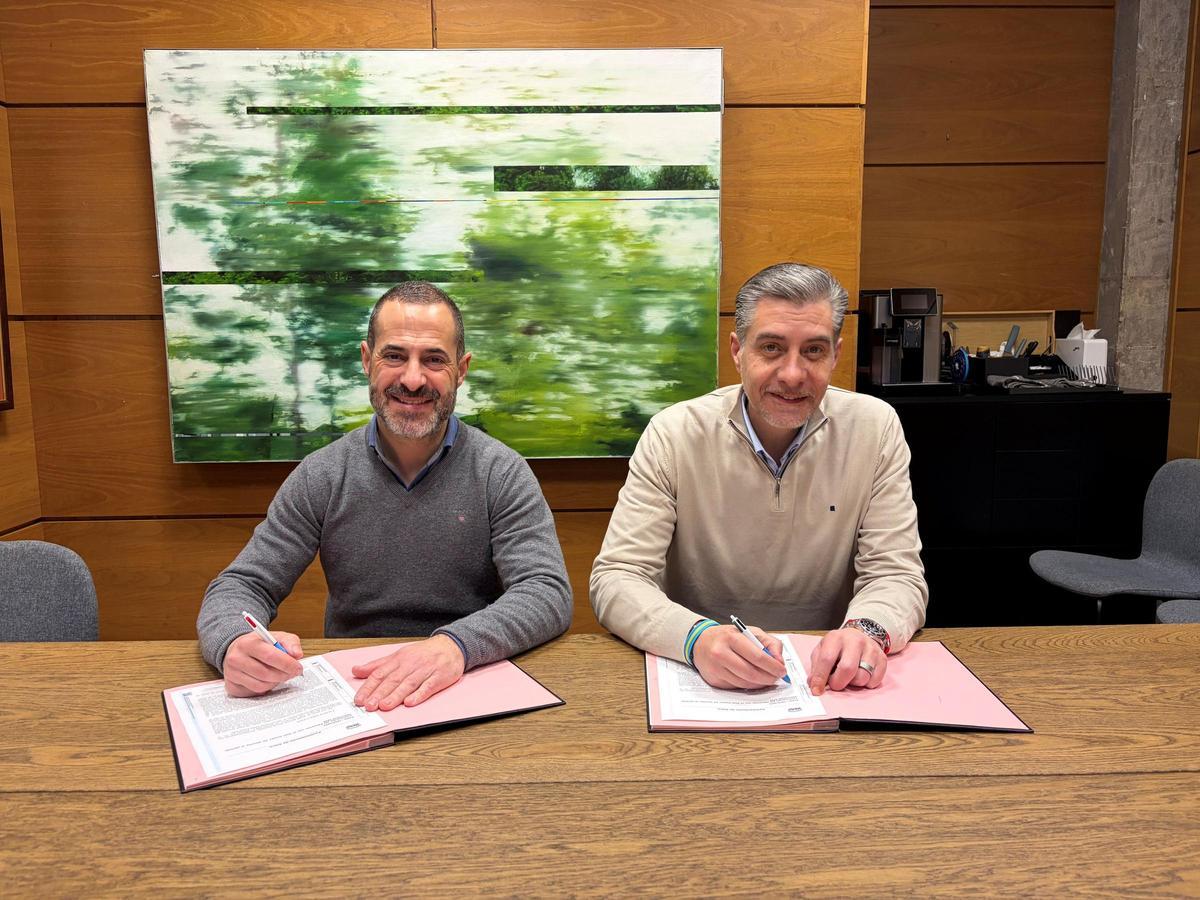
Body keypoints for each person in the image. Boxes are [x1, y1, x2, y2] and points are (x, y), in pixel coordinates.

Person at [198, 281, 572, 709]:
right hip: (356, 692)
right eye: (394, 356)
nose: (412, 379)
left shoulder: (500, 472)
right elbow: (241, 585)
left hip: (471, 679)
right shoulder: (322, 474)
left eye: (434, 360)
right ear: (366, 360)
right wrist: (234, 642)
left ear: (461, 370)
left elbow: (546, 591)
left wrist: (455, 646)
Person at [590, 262, 927, 695]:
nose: (792, 374)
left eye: (814, 351)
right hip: (698, 675)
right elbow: (618, 577)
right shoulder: (673, 433)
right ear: (737, 350)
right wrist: (695, 638)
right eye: (771, 348)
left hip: (828, 680)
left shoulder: (875, 427)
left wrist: (867, 630)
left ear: (836, 355)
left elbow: (896, 575)